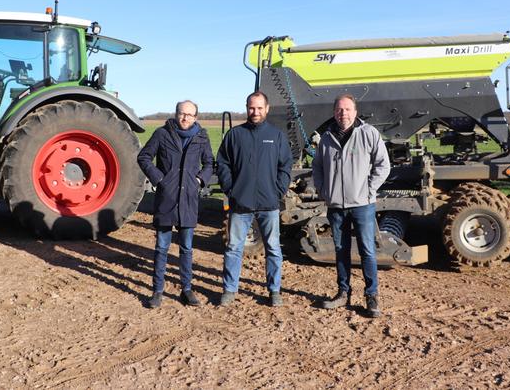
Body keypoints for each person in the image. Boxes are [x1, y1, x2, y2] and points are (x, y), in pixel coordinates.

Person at [312, 94, 390, 318]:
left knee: (367, 250)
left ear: (355, 112)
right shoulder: (326, 138)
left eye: (347, 109)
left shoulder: (368, 134)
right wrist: (322, 189)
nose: (343, 113)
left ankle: (371, 295)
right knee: (340, 250)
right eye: (339, 110)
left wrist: (368, 189)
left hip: (362, 204)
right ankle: (343, 292)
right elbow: (317, 166)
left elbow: (383, 165)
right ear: (334, 112)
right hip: (336, 205)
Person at [216, 91, 293, 307]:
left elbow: (285, 166)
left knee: (273, 248)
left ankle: (274, 290)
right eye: (251, 108)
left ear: (267, 109)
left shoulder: (276, 136)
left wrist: (278, 190)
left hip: (269, 203)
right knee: (233, 247)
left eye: (259, 108)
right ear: (246, 108)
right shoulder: (235, 135)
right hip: (241, 204)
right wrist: (231, 189)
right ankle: (230, 289)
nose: (255, 112)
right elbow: (222, 163)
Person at [137, 100, 214, 309]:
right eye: (182, 113)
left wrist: (199, 180)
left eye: (190, 115)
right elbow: (144, 157)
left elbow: (209, 163)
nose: (185, 118)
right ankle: (157, 291)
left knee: (187, 248)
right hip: (167, 199)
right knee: (162, 247)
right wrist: (159, 179)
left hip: (188, 200)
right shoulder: (162, 134)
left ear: (196, 117)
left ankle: (186, 289)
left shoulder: (201, 137)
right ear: (176, 114)